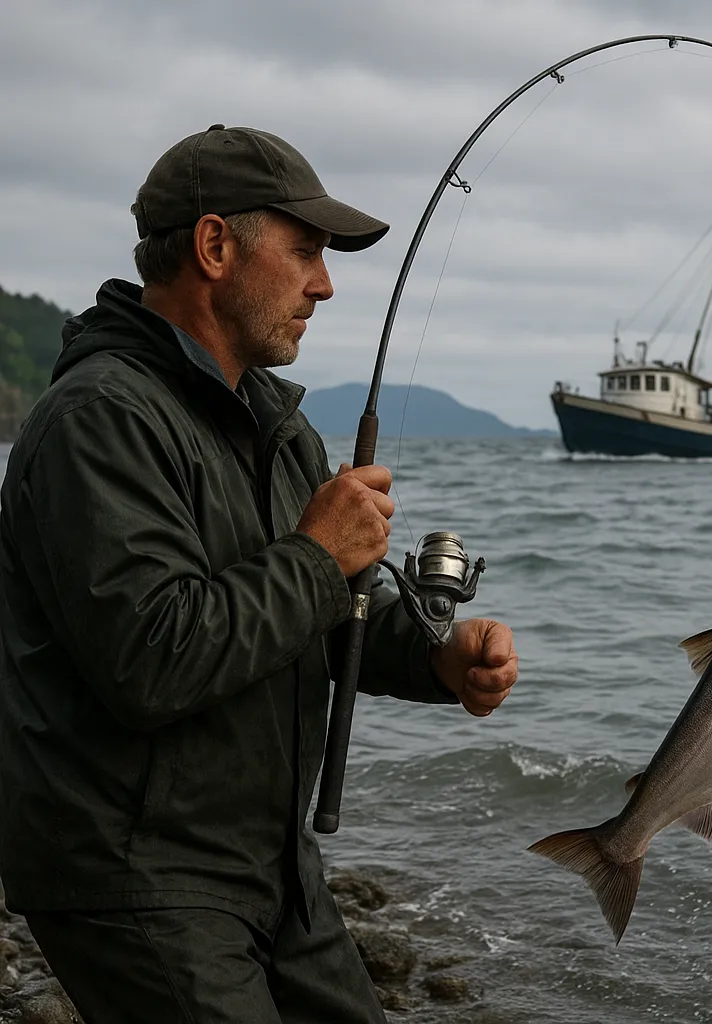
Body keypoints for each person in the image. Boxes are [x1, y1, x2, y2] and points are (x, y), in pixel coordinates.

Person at [0, 124, 519, 1023]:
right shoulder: (98, 420)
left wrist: (434, 654)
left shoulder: (275, 426)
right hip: (135, 869)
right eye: (306, 250)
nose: (323, 283)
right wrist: (318, 552)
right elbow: (152, 656)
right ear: (212, 247)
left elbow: (324, 614)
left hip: (268, 865)